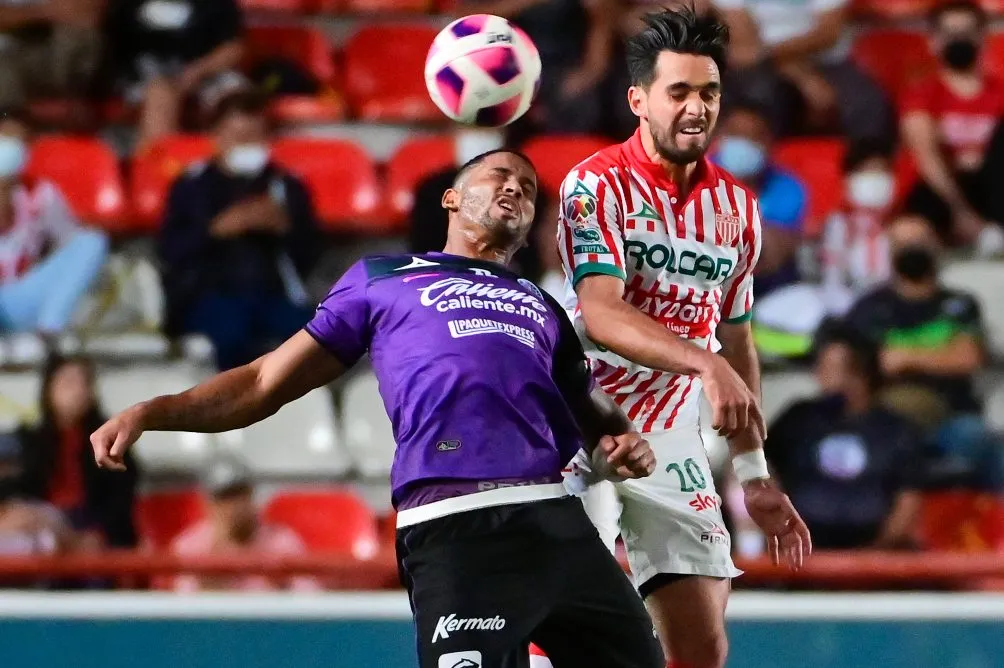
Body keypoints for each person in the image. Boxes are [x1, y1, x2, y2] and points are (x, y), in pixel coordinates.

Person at [92, 149, 665, 668]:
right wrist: (153, 411)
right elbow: (267, 380)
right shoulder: (383, 279)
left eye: (528, 186)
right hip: (455, 524)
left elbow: (588, 411)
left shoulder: (541, 305)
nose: (515, 188)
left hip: (554, 521)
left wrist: (621, 437)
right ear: (451, 198)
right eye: (499, 176)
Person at [554, 9, 810, 668]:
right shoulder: (593, 184)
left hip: (671, 434)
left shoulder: (738, 210)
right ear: (639, 99)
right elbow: (601, 311)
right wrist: (704, 364)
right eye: (679, 92)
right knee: (563, 616)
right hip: (582, 421)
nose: (697, 108)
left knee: (701, 642)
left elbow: (739, 338)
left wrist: (754, 472)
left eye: (709, 93)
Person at [157, 91, 320, 371]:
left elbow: (310, 256)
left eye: (253, 136)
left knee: (320, 335)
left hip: (273, 296)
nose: (246, 145)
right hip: (209, 295)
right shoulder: (191, 186)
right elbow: (171, 251)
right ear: (216, 137)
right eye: (238, 136)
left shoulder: (286, 186)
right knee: (232, 330)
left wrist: (285, 228)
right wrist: (215, 230)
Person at [845, 215, 1002, 491]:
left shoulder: (959, 303)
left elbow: (968, 358)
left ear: (936, 246)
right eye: (903, 243)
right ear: (890, 250)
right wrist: (940, 354)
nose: (911, 249)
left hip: (953, 417)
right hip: (889, 419)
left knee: (981, 442)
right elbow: (862, 368)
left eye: (918, 241)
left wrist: (905, 357)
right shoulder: (868, 309)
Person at [761, 323, 927, 549]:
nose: (820, 377)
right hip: (799, 551)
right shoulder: (799, 419)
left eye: (830, 369)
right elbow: (760, 465)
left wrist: (877, 554)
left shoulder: (895, 430)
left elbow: (909, 500)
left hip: (876, 556)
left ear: (861, 373)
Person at [901, 0, 1004, 254]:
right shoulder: (921, 95)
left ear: (983, 38)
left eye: (967, 32)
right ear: (933, 41)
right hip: (944, 190)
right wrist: (961, 212)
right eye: (950, 33)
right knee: (914, 224)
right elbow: (926, 157)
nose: (959, 40)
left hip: (996, 186)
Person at [714, 0, 893, 145]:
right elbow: (745, 45)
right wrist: (800, 76)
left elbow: (828, 33)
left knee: (868, 102)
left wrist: (797, 68)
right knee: (763, 94)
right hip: (760, 66)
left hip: (826, 61)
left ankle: (864, 174)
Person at [0, 109, 109, 335]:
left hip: (19, 298)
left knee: (92, 241)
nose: (9, 149)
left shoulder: (41, 194)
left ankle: (48, 330)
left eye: (17, 142)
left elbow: (70, 245)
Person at [18, 354, 138, 549]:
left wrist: (99, 533)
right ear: (49, 390)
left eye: (83, 384)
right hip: (44, 524)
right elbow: (21, 488)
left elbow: (121, 500)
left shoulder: (111, 439)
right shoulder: (29, 440)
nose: (77, 392)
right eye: (68, 384)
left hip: (94, 527)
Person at [104, 0, 247, 149]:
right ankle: (158, 166)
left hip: (205, 71)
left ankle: (234, 166)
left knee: (238, 100)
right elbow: (110, 44)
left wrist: (197, 72)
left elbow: (233, 47)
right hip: (141, 77)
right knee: (161, 95)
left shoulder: (215, 4)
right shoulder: (127, 5)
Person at [172, 455, 319, 592]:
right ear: (209, 504)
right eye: (224, 498)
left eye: (239, 494)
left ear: (251, 495)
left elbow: (310, 598)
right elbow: (182, 606)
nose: (233, 507)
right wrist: (209, 584)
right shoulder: (190, 546)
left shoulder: (282, 541)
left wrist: (281, 591)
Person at [712, 99, 807, 297]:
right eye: (735, 134)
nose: (742, 144)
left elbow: (775, 254)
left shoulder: (787, 188)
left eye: (752, 137)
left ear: (769, 143)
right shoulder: (688, 176)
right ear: (720, 136)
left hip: (765, 288)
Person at [0, 0, 103, 112]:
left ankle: (73, 105)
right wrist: (45, 11)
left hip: (52, 52)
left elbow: (89, 13)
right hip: (11, 54)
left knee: (80, 37)